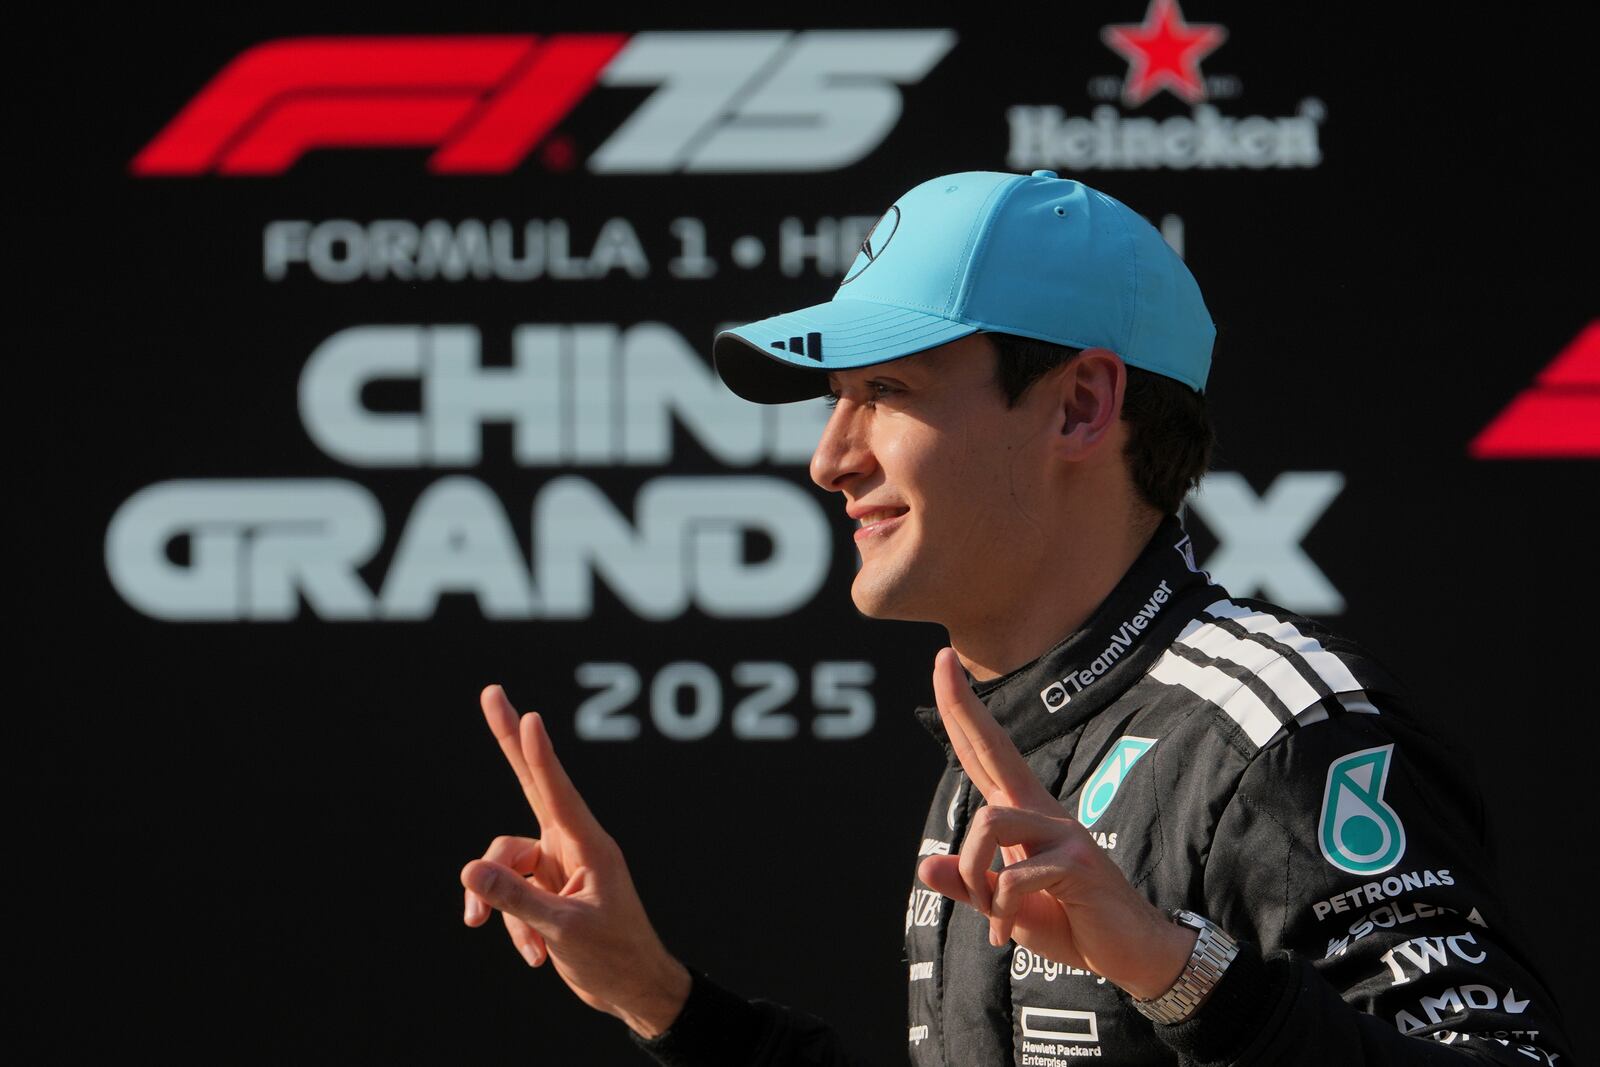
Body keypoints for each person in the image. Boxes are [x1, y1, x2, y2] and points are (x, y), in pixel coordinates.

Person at [459, 171, 1572, 1065]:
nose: (828, 458)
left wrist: (1175, 969)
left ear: (1081, 405)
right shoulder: (1003, 738)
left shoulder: (1278, 731)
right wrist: (658, 997)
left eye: (883, 393)